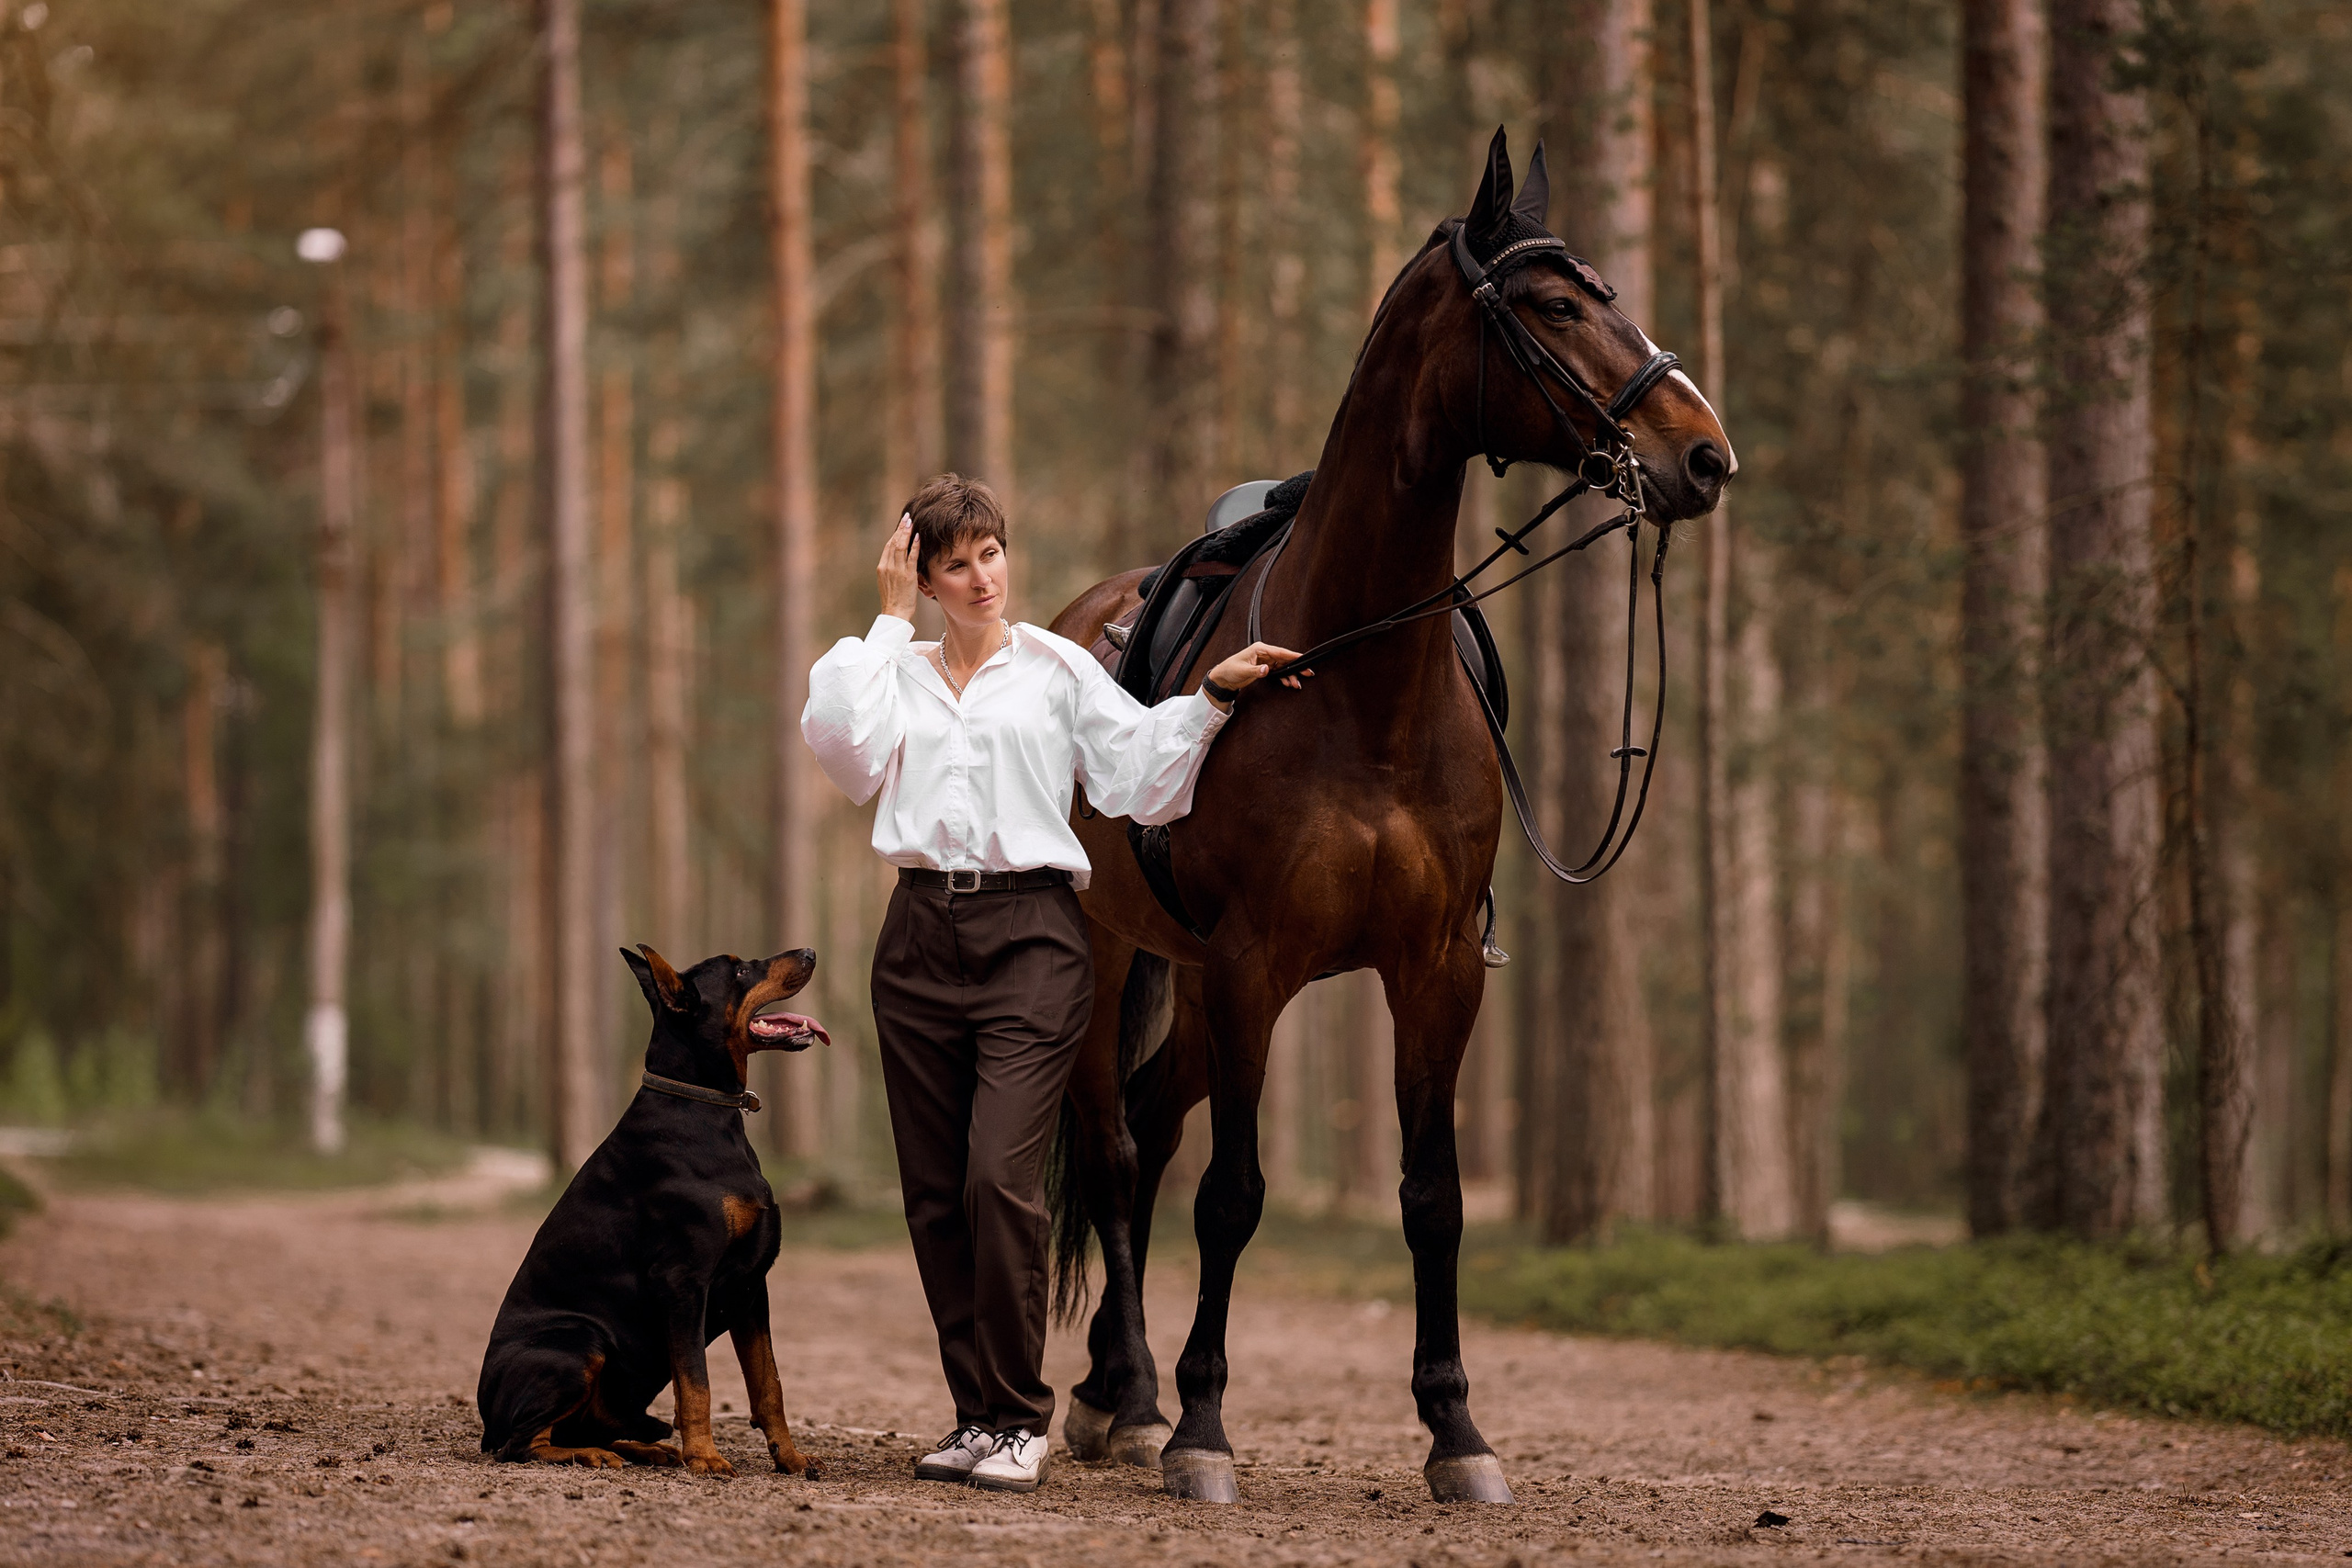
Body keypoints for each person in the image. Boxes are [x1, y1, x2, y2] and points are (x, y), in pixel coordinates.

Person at [800, 474, 1302, 1493]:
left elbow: (1135, 774)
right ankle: (976, 1416)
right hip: (915, 938)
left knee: (998, 1176)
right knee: (936, 1195)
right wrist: (885, 626)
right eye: (955, 563)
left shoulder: (1058, 668)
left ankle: (1020, 1418)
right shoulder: (884, 672)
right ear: (922, 577)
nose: (982, 577)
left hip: (1033, 932)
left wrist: (1208, 701)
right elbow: (845, 754)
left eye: (991, 553)